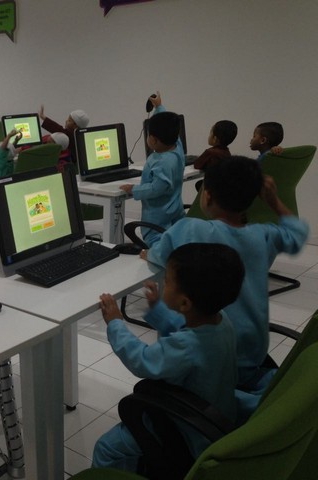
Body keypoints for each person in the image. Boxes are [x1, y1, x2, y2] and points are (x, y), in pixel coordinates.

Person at [141, 156, 309, 391]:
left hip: (200, 359)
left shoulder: (188, 229)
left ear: (207, 195)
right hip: (251, 357)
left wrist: (145, 253)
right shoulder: (263, 236)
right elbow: (298, 234)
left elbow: (158, 254)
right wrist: (274, 201)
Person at [92, 243, 244, 471]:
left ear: (185, 303)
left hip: (186, 428)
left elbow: (142, 359)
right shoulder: (221, 322)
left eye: (168, 281)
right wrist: (157, 308)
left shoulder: (186, 346)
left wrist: (115, 323)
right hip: (215, 415)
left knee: (107, 448)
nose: (164, 283)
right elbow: (184, 328)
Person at [120, 91, 185, 247]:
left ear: (154, 140)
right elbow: (168, 124)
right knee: (174, 239)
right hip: (175, 209)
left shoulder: (162, 161)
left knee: (157, 243)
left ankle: (155, 256)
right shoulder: (177, 147)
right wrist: (159, 106)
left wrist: (134, 190)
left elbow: (157, 188)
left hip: (157, 216)